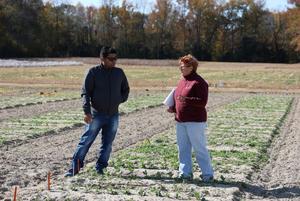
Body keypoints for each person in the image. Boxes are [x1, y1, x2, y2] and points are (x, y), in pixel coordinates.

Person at [65, 46, 130, 177]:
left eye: (115, 59)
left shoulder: (119, 73)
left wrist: (119, 100)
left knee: (107, 144)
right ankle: (74, 168)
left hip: (113, 115)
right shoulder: (93, 72)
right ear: (102, 59)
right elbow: (85, 93)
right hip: (96, 115)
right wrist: (87, 111)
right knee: (86, 141)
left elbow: (126, 89)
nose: (114, 61)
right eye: (111, 59)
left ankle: (100, 167)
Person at [167, 54, 214, 182]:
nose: (182, 68)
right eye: (181, 66)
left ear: (192, 67)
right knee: (183, 148)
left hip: (195, 121)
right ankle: (185, 173)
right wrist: (173, 108)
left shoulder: (199, 82)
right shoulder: (182, 81)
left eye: (185, 66)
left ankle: (207, 174)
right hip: (180, 120)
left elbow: (202, 101)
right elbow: (179, 100)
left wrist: (186, 99)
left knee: (199, 148)